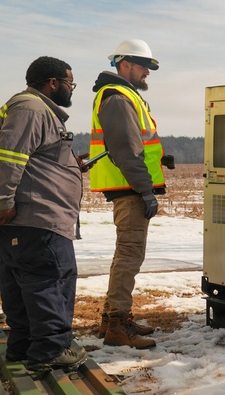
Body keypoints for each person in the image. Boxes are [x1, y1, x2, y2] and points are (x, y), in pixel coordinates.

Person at [0, 56, 88, 370]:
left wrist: (69, 166)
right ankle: (50, 352)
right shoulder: (32, 109)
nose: (71, 89)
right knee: (50, 281)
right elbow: (9, 157)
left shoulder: (28, 109)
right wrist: (3, 201)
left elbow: (31, 158)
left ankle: (22, 347)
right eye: (70, 83)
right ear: (53, 83)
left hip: (27, 222)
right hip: (39, 219)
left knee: (21, 284)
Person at [90, 39, 169, 349]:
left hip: (128, 186)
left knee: (125, 254)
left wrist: (161, 160)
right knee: (130, 255)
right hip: (130, 190)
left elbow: (136, 146)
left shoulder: (122, 96)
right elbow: (126, 150)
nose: (147, 73)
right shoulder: (119, 97)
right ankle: (118, 326)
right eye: (144, 67)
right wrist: (145, 190)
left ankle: (112, 319)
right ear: (125, 65)